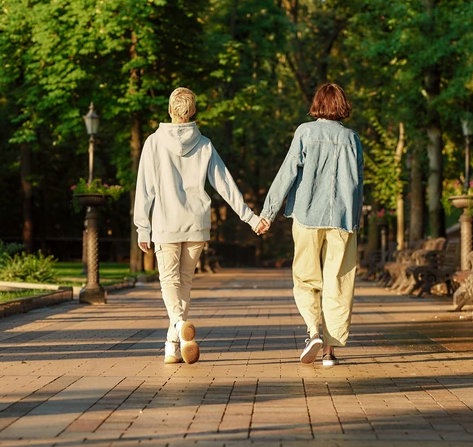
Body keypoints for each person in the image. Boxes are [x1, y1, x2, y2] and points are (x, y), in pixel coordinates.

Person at [134, 87, 266, 365]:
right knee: (185, 282)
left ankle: (179, 325)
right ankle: (172, 344)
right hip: (196, 224)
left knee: (169, 281)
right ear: (193, 112)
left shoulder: (153, 143)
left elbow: (144, 189)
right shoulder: (204, 144)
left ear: (170, 110)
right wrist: (251, 218)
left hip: (165, 223)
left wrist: (142, 227)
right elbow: (226, 185)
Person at [259, 83, 364, 367]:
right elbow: (357, 184)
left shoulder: (305, 132)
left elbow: (287, 172)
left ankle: (313, 331)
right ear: (342, 105)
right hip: (342, 221)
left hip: (307, 216)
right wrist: (354, 221)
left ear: (318, 104)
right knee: (338, 283)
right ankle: (329, 352)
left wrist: (268, 212)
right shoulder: (352, 138)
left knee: (306, 279)